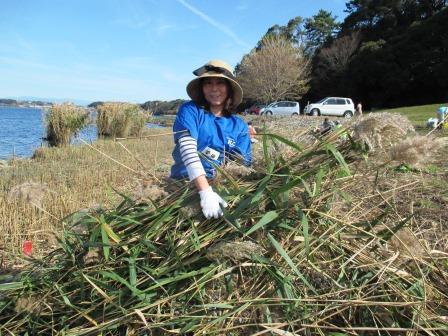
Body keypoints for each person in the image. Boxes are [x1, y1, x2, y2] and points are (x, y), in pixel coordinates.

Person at [170, 59, 252, 219]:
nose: (214, 89)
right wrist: (205, 191)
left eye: (220, 83)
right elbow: (187, 148)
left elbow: (242, 165)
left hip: (221, 187)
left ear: (229, 88)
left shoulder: (239, 126)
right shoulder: (191, 111)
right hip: (184, 185)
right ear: (202, 87)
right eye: (208, 83)